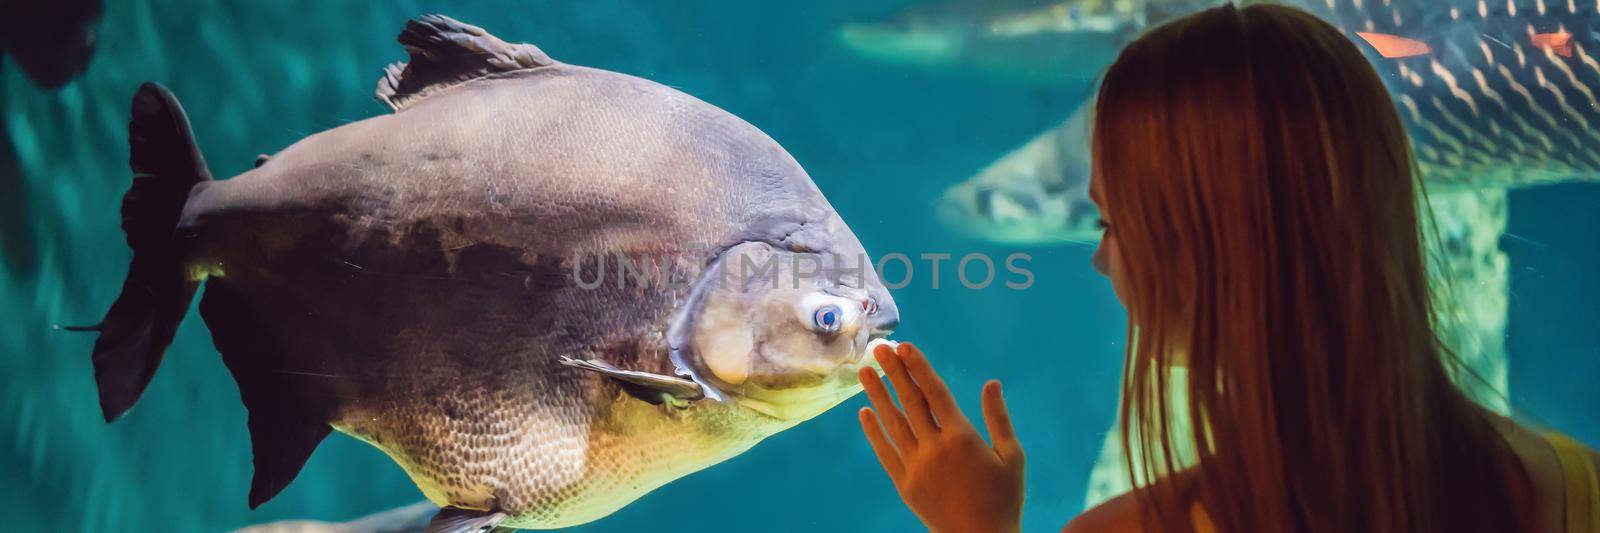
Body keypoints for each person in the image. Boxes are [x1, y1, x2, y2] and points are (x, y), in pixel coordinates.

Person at [855, 4, 1600, 533]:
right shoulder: (1572, 480)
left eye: (1112, 221)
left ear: (1208, 250)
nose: (1097, 256)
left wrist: (977, 528)